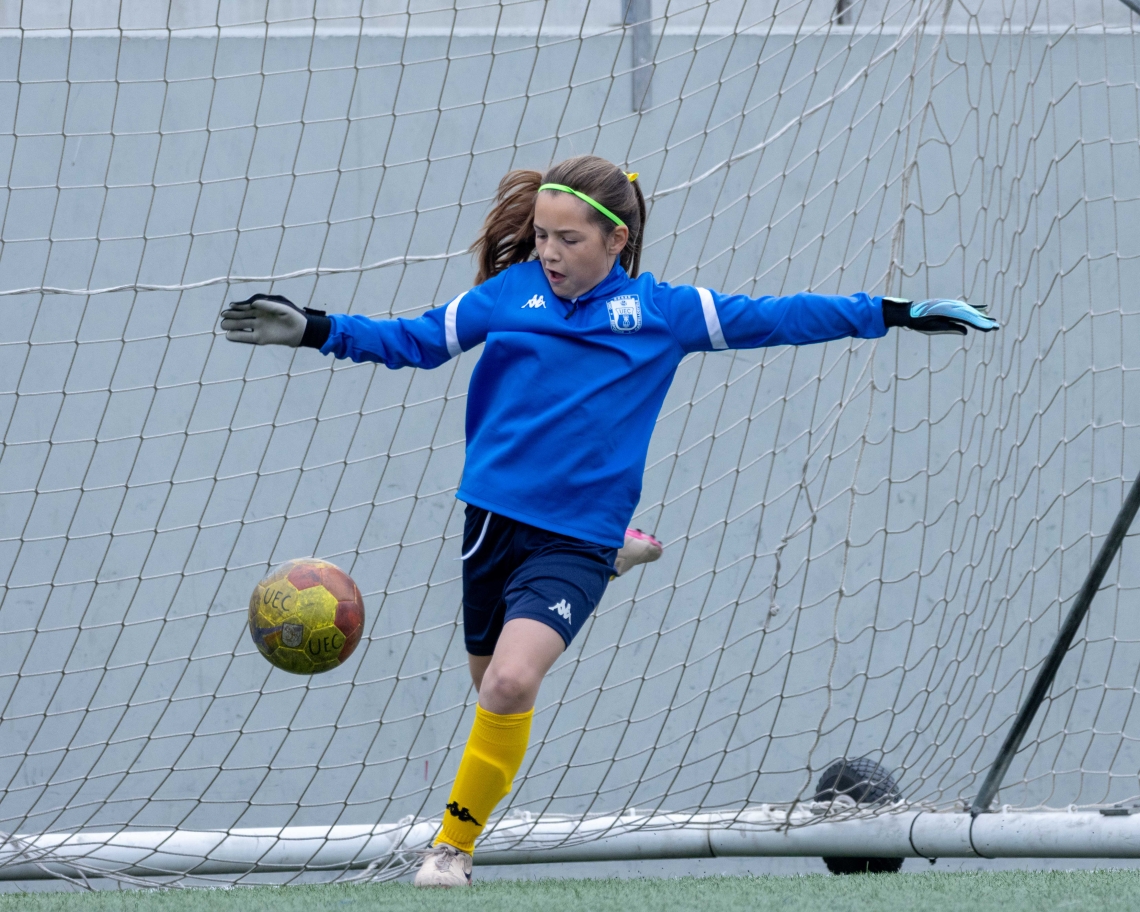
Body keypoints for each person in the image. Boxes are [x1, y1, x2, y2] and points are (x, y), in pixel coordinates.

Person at [219, 155, 998, 887]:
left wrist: (892, 312)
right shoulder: (509, 295)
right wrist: (317, 330)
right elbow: (414, 343)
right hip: (491, 524)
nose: (549, 251)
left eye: (568, 238)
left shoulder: (663, 311)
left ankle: (452, 847)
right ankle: (617, 562)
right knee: (489, 684)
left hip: (576, 533)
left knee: (512, 684)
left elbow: (782, 317)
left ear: (615, 239)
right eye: (541, 236)